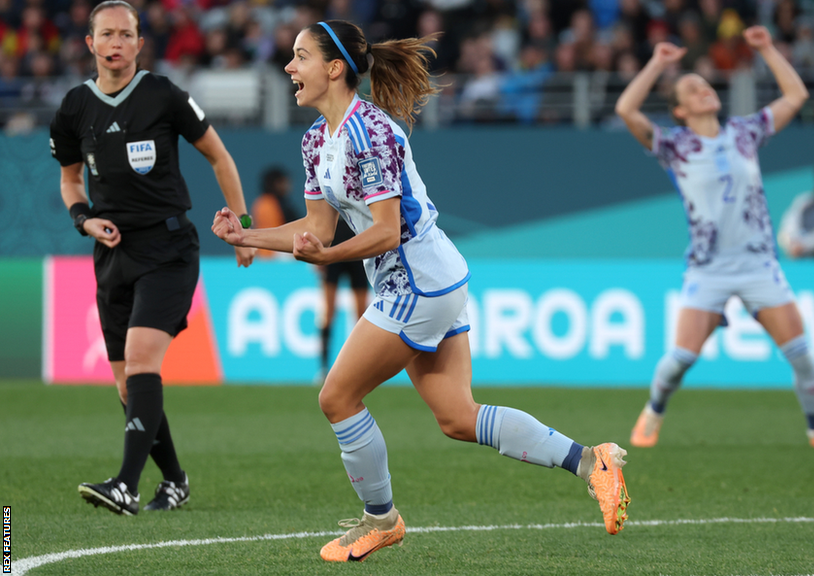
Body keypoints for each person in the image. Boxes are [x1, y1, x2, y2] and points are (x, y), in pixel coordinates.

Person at [211, 19, 630, 562]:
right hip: (427, 280)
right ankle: (590, 461)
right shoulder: (317, 139)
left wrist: (328, 256)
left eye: (300, 57)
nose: (289, 68)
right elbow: (315, 227)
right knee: (458, 416)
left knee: (336, 397)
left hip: (416, 282)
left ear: (334, 68)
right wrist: (248, 234)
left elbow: (384, 231)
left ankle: (380, 520)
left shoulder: (372, 132)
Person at [50, 0, 255, 516]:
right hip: (112, 253)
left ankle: (125, 484)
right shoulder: (74, 107)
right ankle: (176, 480)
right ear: (90, 44)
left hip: (168, 249)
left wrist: (245, 228)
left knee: (142, 363)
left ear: (140, 44)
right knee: (127, 384)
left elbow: (220, 157)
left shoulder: (163, 94)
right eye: (106, 35)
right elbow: (71, 179)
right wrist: (83, 219)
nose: (116, 43)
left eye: (126, 35)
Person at [615, 27, 814, 452]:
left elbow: (795, 97)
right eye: (692, 89)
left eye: (704, 84)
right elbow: (626, 108)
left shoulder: (744, 131)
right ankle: (653, 411)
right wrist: (658, 63)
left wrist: (767, 49)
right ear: (681, 110)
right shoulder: (674, 146)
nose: (703, 89)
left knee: (802, 355)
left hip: (759, 263)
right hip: (709, 268)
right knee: (680, 360)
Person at [315, 220, 370, 384]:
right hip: (334, 246)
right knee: (328, 312)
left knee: (362, 316)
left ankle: (363, 368)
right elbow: (320, 215)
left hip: (357, 247)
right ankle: (323, 369)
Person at [251, 166, 302, 259]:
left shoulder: (262, 202)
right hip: (274, 253)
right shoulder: (267, 203)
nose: (287, 185)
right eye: (283, 182)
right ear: (275, 184)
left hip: (268, 252)